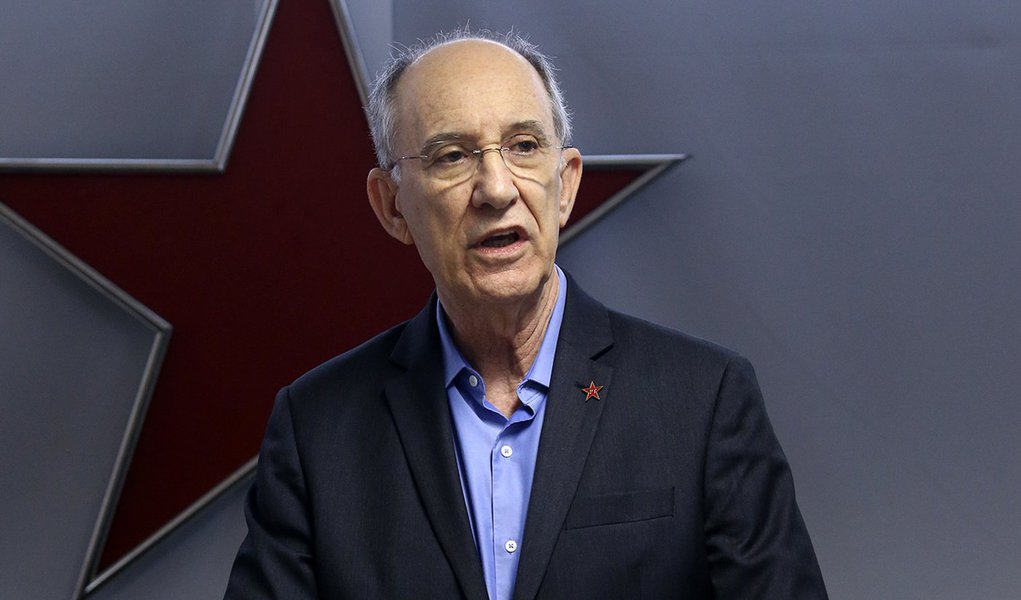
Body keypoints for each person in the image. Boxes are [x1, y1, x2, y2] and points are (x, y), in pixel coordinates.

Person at [224, 29, 828, 599]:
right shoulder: (316, 429)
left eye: (524, 146)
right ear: (391, 207)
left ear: (564, 185)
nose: (496, 187)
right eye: (452, 155)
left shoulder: (704, 400)